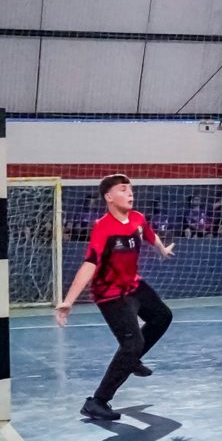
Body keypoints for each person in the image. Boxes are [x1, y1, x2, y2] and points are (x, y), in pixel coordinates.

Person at [55, 174, 175, 422]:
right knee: (131, 344)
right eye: (123, 189)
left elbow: (149, 234)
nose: (130, 193)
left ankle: (132, 360)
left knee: (162, 316)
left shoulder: (138, 218)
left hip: (133, 285)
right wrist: (68, 300)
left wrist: (162, 249)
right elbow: (90, 263)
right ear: (109, 197)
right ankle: (97, 402)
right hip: (110, 294)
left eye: (130, 189)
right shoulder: (103, 227)